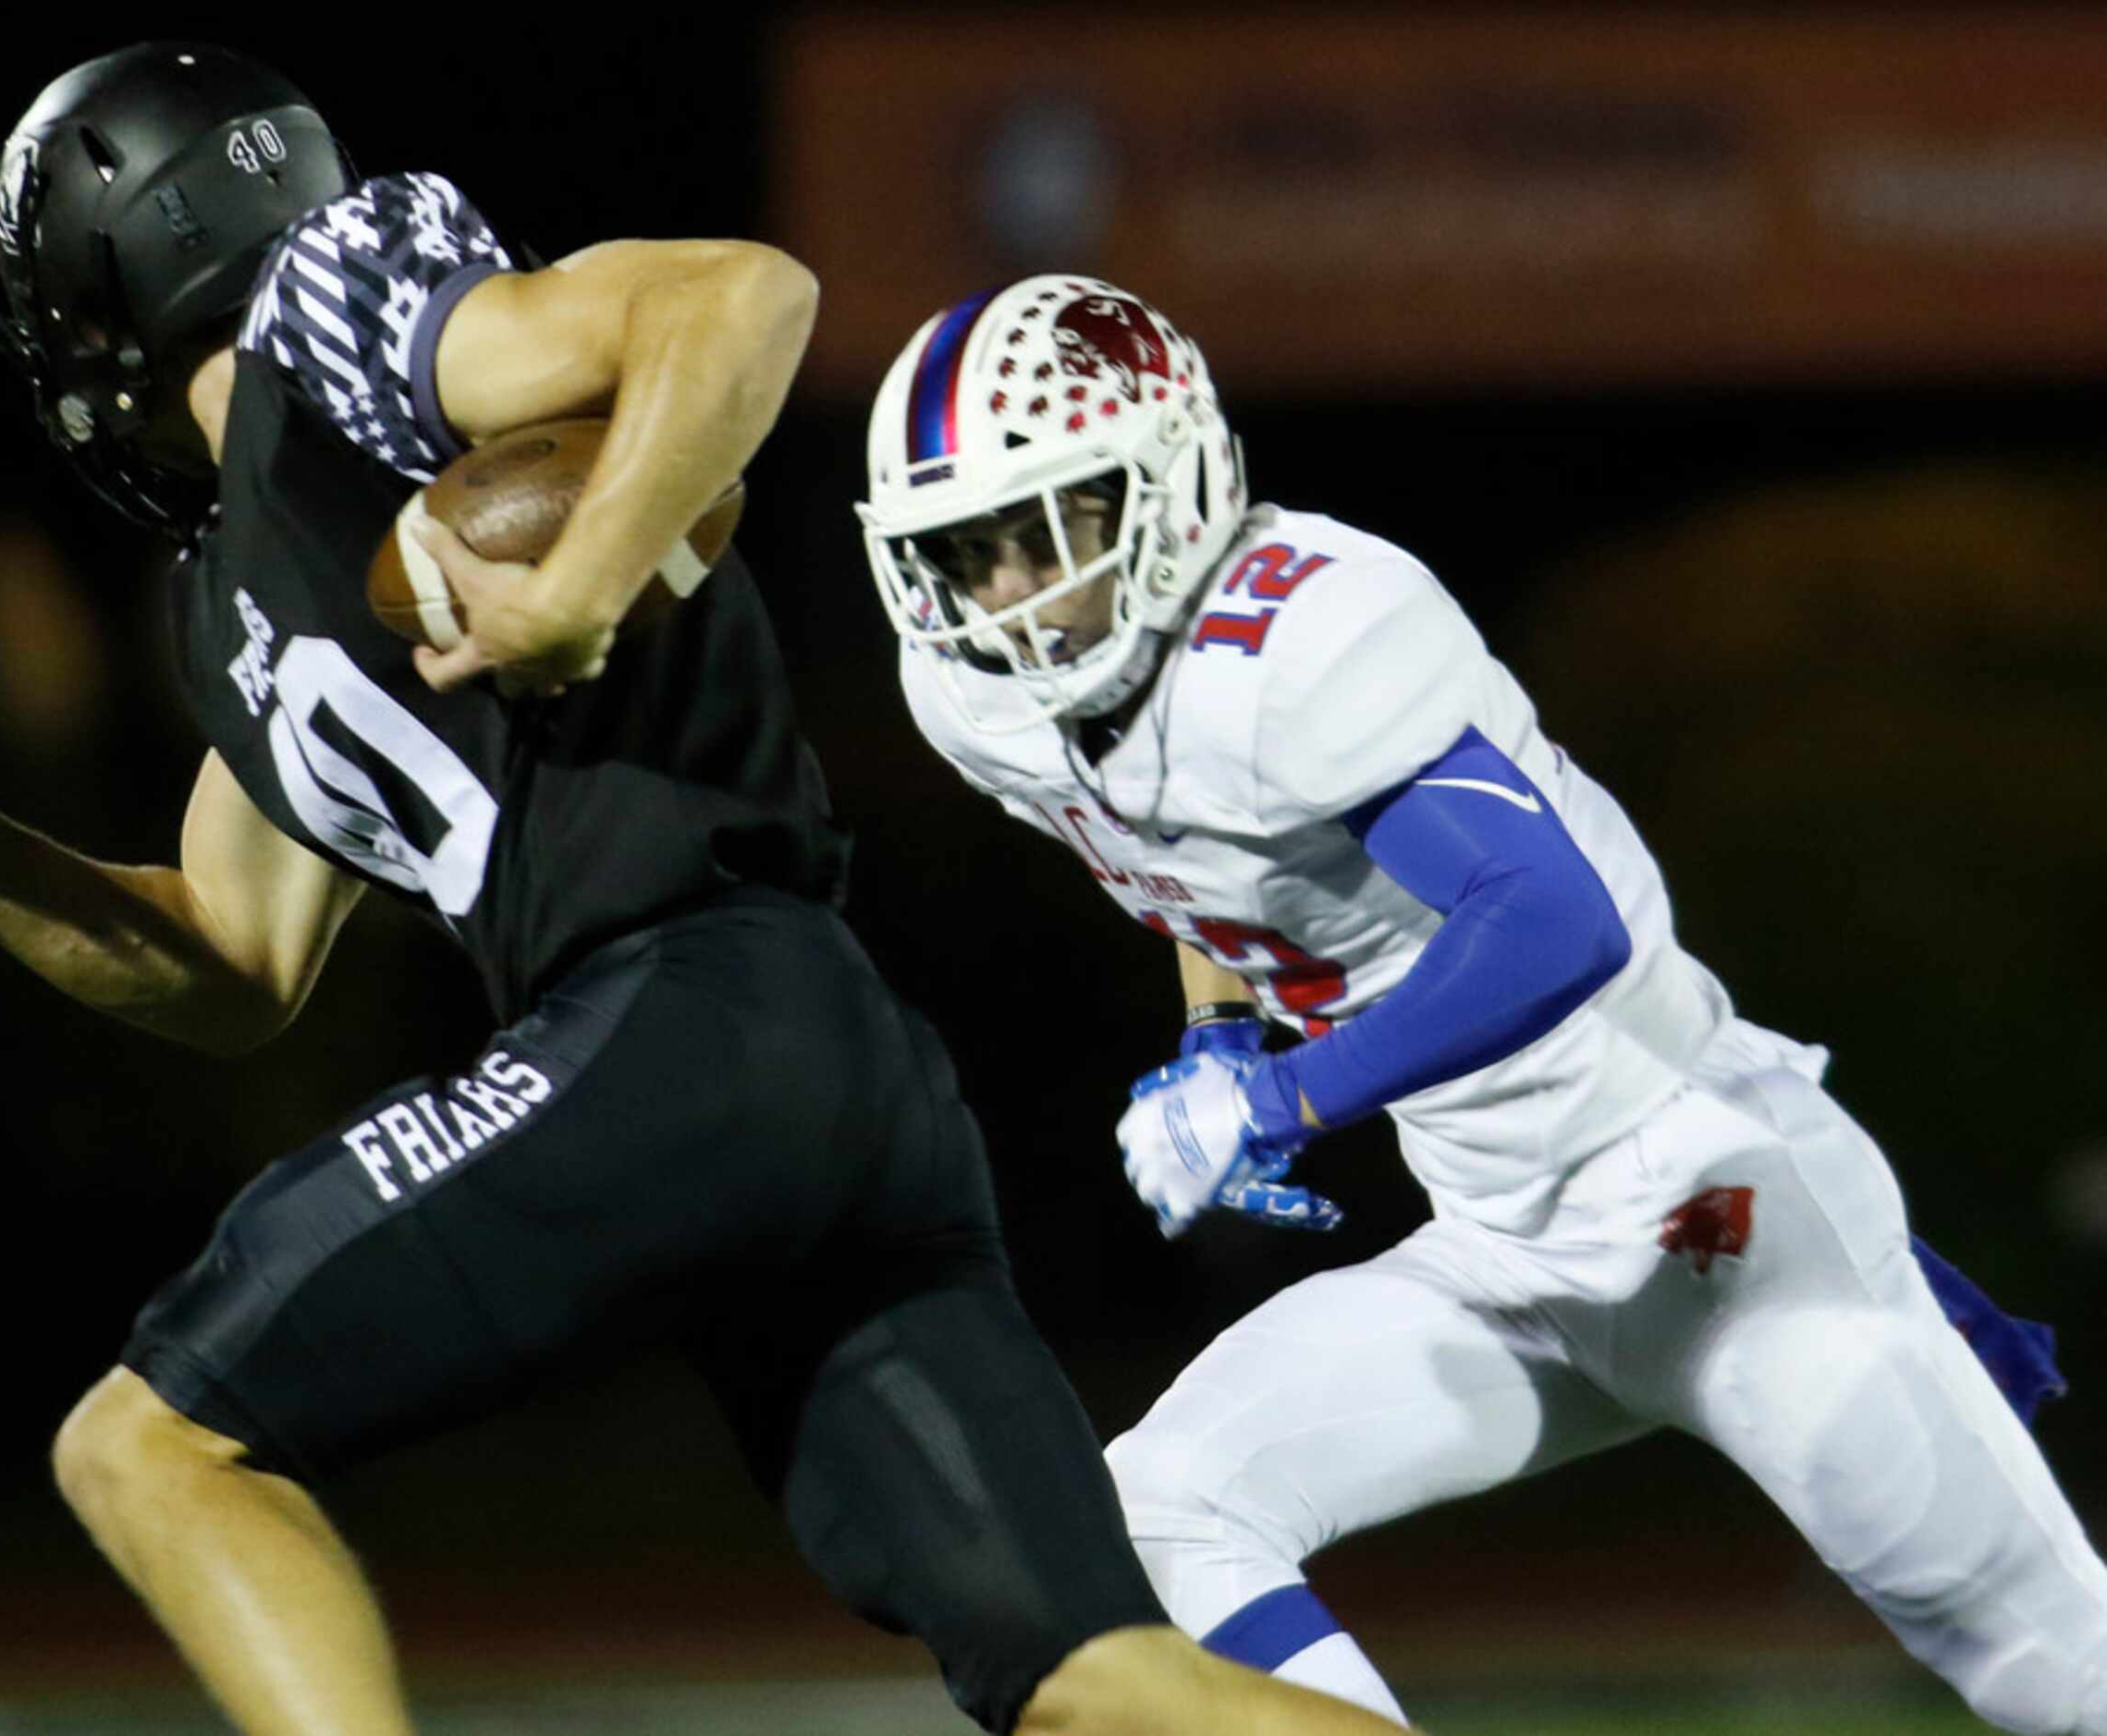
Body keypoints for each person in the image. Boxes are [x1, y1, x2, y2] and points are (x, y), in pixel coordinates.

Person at [0, 48, 1405, 1736]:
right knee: (1095, 1685)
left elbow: (741, 298)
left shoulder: (336, 303)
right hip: (811, 1070)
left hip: (686, 1008)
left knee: (149, 1439)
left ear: (105, 292)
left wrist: (583, 585)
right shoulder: (233, 580)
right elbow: (231, 960)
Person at [856, 273, 2107, 1734]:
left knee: (2053, 1668)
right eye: (962, 549)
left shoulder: (1309, 643)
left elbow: (1545, 918)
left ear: (1171, 487)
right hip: (1508, 1249)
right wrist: (1219, 1038)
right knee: (1156, 1505)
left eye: (1045, 530)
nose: (1001, 592)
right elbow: (1179, 860)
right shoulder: (979, 700)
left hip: (1713, 1217)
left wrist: (1279, 1096)